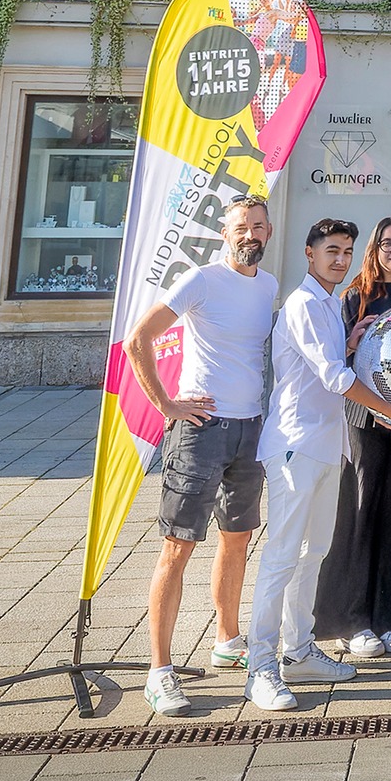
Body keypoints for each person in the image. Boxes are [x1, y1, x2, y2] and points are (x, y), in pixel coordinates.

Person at [246, 219, 391, 712]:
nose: (341, 259)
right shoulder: (305, 303)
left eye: (347, 251)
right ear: (309, 254)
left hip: (329, 447)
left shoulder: (329, 304)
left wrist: (349, 342)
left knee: (314, 551)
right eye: (331, 250)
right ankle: (260, 667)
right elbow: (333, 377)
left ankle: (299, 650)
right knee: (282, 556)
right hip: (295, 446)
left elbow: (329, 359)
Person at [122, 194, 278, 717]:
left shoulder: (270, 287)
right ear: (223, 232)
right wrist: (166, 403)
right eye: (240, 226)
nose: (249, 234)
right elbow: (137, 339)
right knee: (178, 547)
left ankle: (227, 639)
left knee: (237, 541)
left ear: (269, 232)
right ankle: (159, 672)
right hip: (200, 430)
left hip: (250, 429)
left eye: (258, 225)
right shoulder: (202, 280)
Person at [315, 217, 391, 659]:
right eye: (387, 243)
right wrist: (351, 339)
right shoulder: (354, 297)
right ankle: (353, 620)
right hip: (365, 422)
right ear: (375, 248)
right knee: (360, 513)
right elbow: (338, 359)